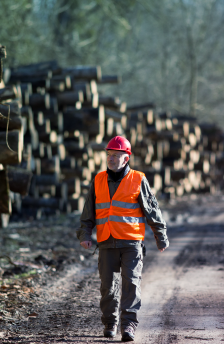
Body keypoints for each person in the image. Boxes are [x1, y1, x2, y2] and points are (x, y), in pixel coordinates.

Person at [76, 136, 169, 342]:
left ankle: (128, 326)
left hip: (131, 243)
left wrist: (160, 235)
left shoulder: (138, 179)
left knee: (131, 284)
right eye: (109, 155)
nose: (112, 159)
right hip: (106, 242)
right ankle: (110, 323)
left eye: (117, 155)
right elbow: (88, 212)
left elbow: (152, 210)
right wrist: (85, 234)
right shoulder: (98, 179)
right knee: (107, 287)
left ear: (126, 159)